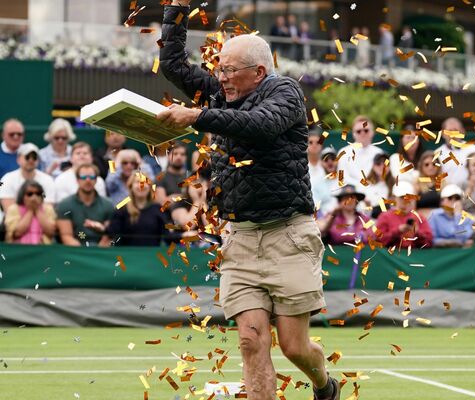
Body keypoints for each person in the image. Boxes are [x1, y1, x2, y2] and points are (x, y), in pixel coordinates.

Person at [157, 3, 337, 399]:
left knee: (294, 347)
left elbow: (259, 126)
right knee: (251, 342)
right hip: (238, 237)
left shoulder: (286, 92)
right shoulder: (221, 92)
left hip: (288, 237)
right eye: (218, 69)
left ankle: (323, 383)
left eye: (228, 70)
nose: (220, 78)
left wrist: (195, 117)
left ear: (258, 72)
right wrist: (176, 11)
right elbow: (172, 65)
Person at [55, 163, 115, 247]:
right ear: (77, 180)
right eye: (83, 177)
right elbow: (66, 236)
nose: (88, 180)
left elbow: (109, 236)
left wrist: (98, 251)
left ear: (96, 180)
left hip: (102, 251)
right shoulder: (65, 205)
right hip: (74, 251)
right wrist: (84, 253)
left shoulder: (108, 204)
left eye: (92, 177)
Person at [106, 173, 173, 246]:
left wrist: (183, 235)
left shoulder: (158, 209)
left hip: (150, 255)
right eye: (137, 182)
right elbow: (111, 233)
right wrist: (102, 228)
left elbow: (168, 237)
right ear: (131, 186)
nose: (141, 185)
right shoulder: (122, 208)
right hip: (125, 255)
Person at [376, 181, 433, 249]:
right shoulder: (385, 217)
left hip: (415, 256)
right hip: (392, 256)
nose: (405, 200)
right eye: (401, 197)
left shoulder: (419, 217)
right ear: (394, 198)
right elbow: (378, 240)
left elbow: (429, 242)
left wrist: (417, 232)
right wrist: (398, 230)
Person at [0, 143, 56, 211]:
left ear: (38, 160)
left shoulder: (47, 180)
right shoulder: (7, 179)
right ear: (18, 159)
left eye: (34, 157)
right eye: (27, 157)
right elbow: (9, 210)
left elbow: (48, 209)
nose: (31, 160)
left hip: (41, 220)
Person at [338, 115, 385, 188]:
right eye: (358, 131)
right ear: (353, 134)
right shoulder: (343, 152)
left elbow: (383, 179)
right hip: (351, 194)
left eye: (366, 130)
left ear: (372, 132)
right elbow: (342, 179)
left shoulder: (379, 153)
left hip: (375, 194)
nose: (362, 133)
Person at [434, 118, 475, 188]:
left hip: (471, 191)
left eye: (455, 130)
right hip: (447, 193)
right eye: (449, 131)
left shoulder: (473, 149)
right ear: (443, 134)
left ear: (462, 132)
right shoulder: (436, 154)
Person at [312, 147, 338, 215]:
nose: (330, 161)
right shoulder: (315, 182)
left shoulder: (345, 180)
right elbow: (316, 208)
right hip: (325, 220)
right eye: (326, 159)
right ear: (321, 163)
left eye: (333, 158)